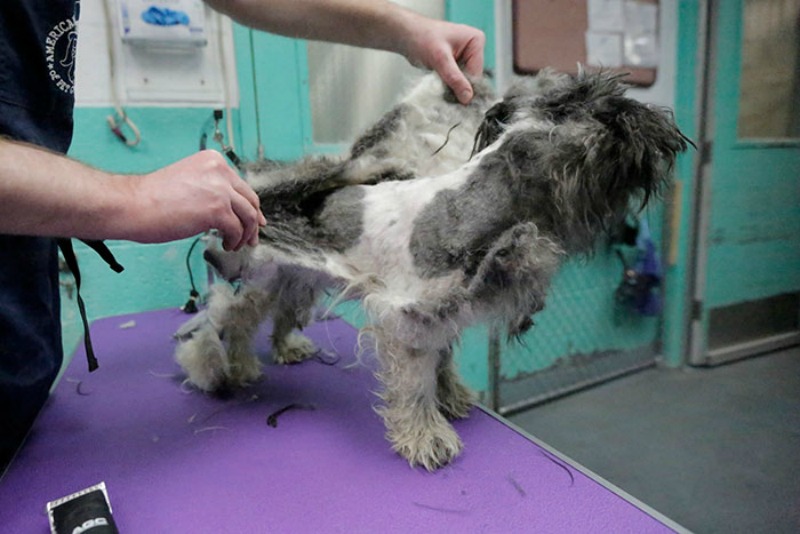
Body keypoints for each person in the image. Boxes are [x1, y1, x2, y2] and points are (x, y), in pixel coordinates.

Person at [0, 1, 485, 470]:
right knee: (264, 287)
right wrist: (132, 198)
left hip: (23, 332)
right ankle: (234, 345)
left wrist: (404, 28)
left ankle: (275, 340)